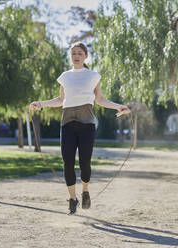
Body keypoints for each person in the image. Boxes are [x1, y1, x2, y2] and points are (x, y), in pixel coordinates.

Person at [29, 42, 131, 215]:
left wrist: (119, 106)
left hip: (87, 124)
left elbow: (100, 100)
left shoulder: (92, 76)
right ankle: (72, 198)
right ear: (71, 56)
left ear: (85, 56)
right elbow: (60, 100)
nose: (76, 55)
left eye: (79, 53)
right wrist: (40, 104)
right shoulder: (65, 76)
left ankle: (85, 191)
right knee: (67, 163)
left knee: (85, 163)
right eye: (73, 53)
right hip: (67, 123)